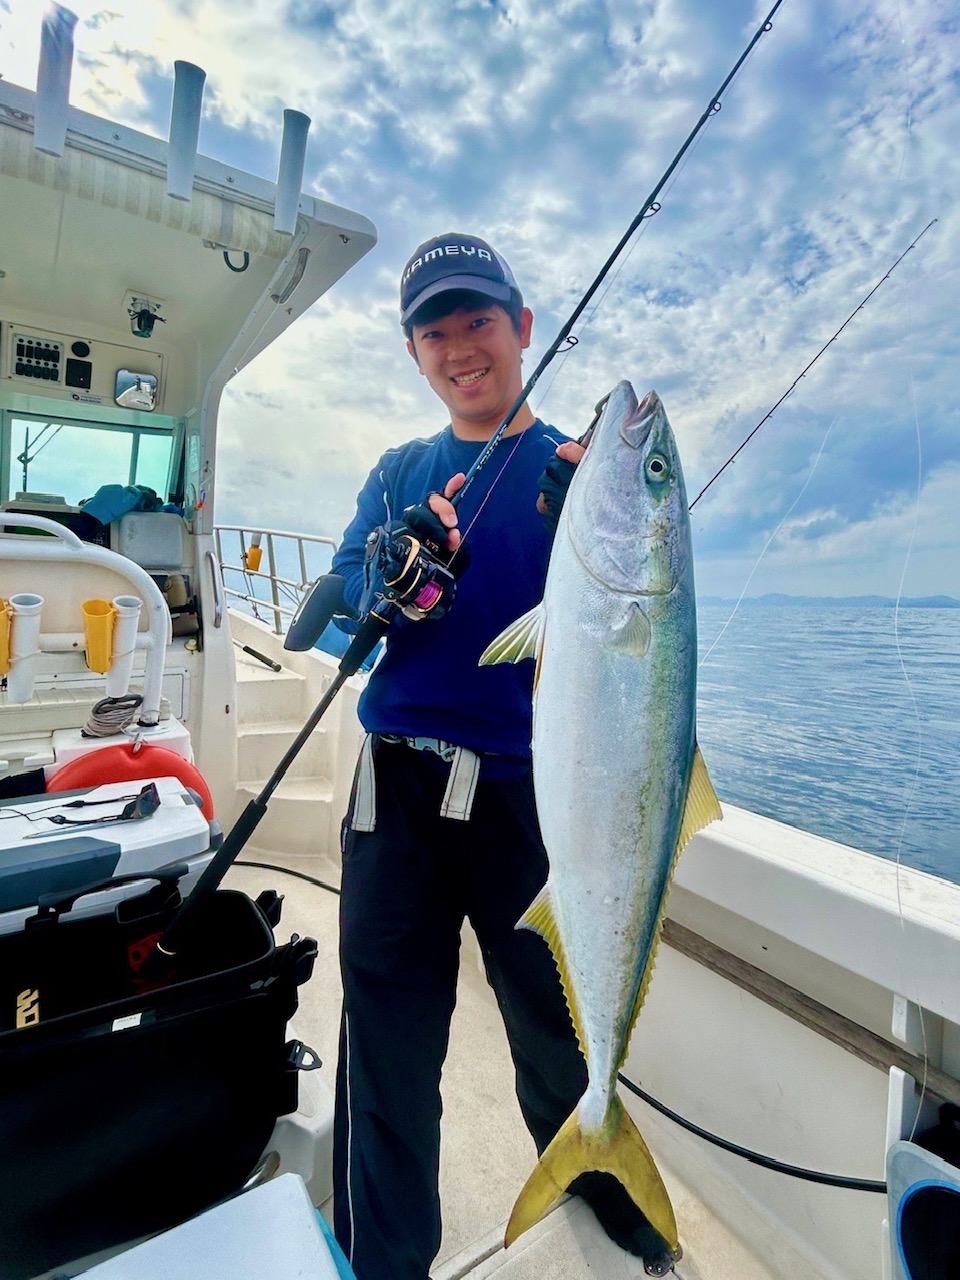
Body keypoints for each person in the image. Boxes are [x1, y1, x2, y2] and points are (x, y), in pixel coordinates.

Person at [330, 232, 676, 1279]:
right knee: (387, 1040)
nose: (459, 348)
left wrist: (578, 526)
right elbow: (340, 603)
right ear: (413, 352)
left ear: (522, 328)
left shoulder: (577, 475)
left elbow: (633, 614)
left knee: (551, 1021)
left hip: (526, 792)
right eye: (434, 332)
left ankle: (597, 1176)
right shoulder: (401, 473)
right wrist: (390, 572)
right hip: (395, 792)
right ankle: (387, 1257)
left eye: (477, 321)